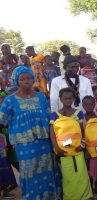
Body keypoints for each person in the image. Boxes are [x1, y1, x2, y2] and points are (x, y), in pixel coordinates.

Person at [0, 67, 58, 199]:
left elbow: (49, 119)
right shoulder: (10, 100)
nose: (26, 81)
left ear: (33, 78)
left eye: (29, 77)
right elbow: (1, 120)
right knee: (29, 173)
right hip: (24, 145)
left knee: (47, 172)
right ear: (16, 81)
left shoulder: (41, 97)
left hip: (44, 142)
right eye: (22, 79)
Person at [49, 87, 93, 200]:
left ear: (74, 98)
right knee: (67, 176)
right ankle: (70, 197)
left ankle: (85, 196)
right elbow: (52, 133)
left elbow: (84, 132)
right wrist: (56, 148)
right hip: (63, 152)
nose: (68, 100)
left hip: (78, 150)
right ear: (60, 99)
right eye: (65, 98)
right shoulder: (54, 115)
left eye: (70, 98)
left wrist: (82, 145)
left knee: (82, 174)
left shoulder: (78, 114)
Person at [82, 95, 97, 198]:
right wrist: (86, 150)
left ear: (94, 104)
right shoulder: (82, 119)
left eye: (91, 104)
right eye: (86, 104)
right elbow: (82, 135)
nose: (89, 106)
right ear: (82, 105)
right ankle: (91, 190)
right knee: (90, 171)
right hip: (89, 150)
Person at [0, 91, 17, 200]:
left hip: (5, 140)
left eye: (3, 98)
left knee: (6, 163)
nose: (2, 100)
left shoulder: (9, 108)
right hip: (3, 139)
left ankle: (7, 187)